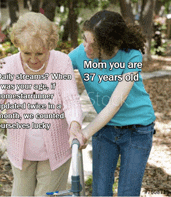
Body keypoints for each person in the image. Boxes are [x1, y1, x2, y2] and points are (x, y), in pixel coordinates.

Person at [0, 12, 84, 196]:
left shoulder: (61, 62)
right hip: (21, 152)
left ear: (50, 45)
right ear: (18, 44)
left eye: (39, 53)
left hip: (56, 151)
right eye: (27, 53)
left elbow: (70, 99)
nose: (33, 59)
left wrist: (75, 125)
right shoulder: (8, 65)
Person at [69, 10, 156, 196]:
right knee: (100, 192)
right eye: (85, 39)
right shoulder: (80, 53)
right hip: (105, 130)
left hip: (137, 130)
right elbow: (54, 71)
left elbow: (114, 103)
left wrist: (85, 133)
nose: (86, 48)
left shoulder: (132, 56)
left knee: (127, 192)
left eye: (93, 45)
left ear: (109, 46)